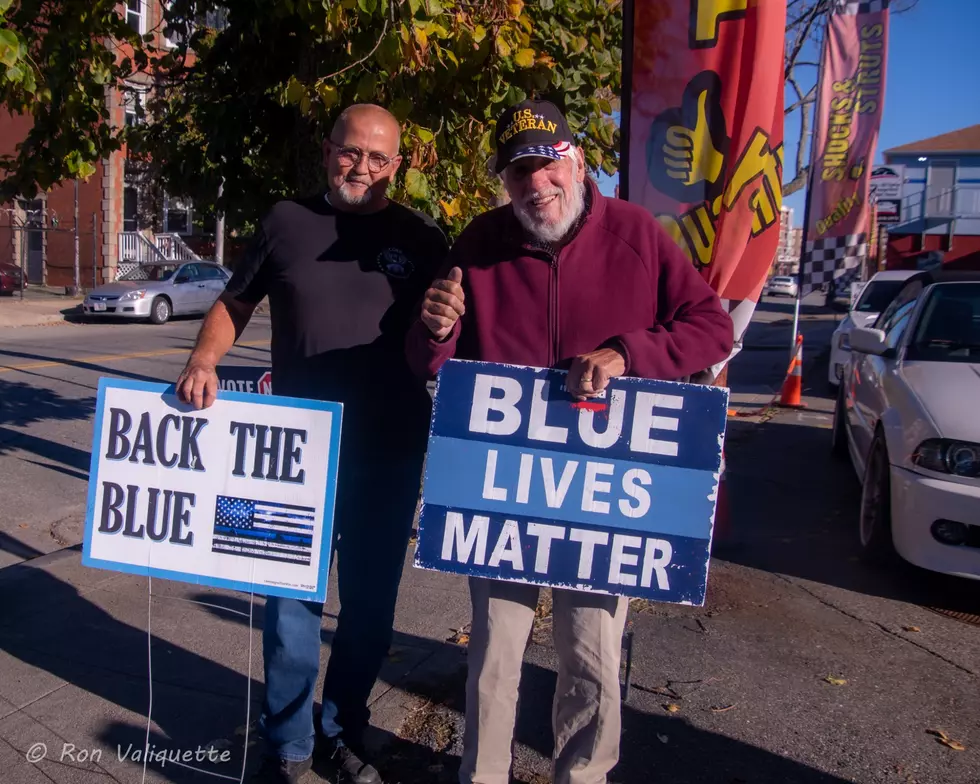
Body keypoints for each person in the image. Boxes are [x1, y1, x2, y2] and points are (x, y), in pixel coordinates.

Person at [405, 99, 734, 784]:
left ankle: (582, 776)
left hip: (605, 495)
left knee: (591, 653)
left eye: (548, 163)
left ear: (578, 162)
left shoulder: (638, 235)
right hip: (505, 487)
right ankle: (483, 775)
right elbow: (429, 359)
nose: (536, 185)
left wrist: (626, 353)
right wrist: (435, 330)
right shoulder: (480, 242)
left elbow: (711, 327)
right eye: (519, 172)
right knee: (495, 651)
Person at [175, 103, 449, 784]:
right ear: (327, 150)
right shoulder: (284, 221)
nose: (361, 167)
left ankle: (344, 729)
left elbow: (447, 335)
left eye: (377, 158)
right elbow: (235, 301)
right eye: (350, 152)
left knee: (370, 605)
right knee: (289, 605)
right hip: (293, 451)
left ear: (397, 166)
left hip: (388, 447)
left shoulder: (421, 238)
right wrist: (203, 359)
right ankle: (289, 744)